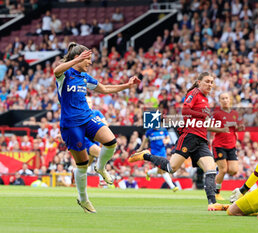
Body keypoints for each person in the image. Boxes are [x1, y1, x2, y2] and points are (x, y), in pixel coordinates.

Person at [53, 42, 140, 213]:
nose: (90, 63)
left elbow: (105, 88)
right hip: (71, 125)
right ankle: (84, 199)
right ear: (78, 58)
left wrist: (126, 86)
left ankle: (100, 167)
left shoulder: (85, 78)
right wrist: (76, 59)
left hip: (87, 118)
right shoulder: (65, 74)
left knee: (111, 141)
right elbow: (56, 71)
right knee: (82, 164)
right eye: (88, 60)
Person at [129, 72, 229, 211]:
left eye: (212, 82)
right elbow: (185, 110)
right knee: (171, 168)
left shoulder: (206, 100)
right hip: (189, 137)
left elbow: (203, 123)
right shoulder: (194, 93)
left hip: (201, 140)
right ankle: (146, 155)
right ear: (199, 82)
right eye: (207, 81)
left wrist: (220, 128)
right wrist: (203, 116)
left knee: (211, 169)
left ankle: (212, 203)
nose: (210, 84)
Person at [211, 92, 244, 200]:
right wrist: (221, 129)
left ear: (230, 100)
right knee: (224, 170)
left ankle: (217, 169)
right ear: (220, 101)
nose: (225, 100)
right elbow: (208, 127)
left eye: (226, 98)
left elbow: (237, 128)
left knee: (233, 170)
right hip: (219, 145)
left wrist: (240, 127)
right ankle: (216, 192)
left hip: (231, 145)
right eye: (222, 98)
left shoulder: (235, 113)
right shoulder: (217, 114)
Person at [138, 127, 179, 192]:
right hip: (155, 153)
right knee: (163, 170)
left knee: (161, 170)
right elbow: (145, 141)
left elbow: (168, 138)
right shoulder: (149, 131)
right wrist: (140, 149)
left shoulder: (164, 130)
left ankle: (148, 172)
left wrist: (166, 141)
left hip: (163, 153)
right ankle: (172, 186)